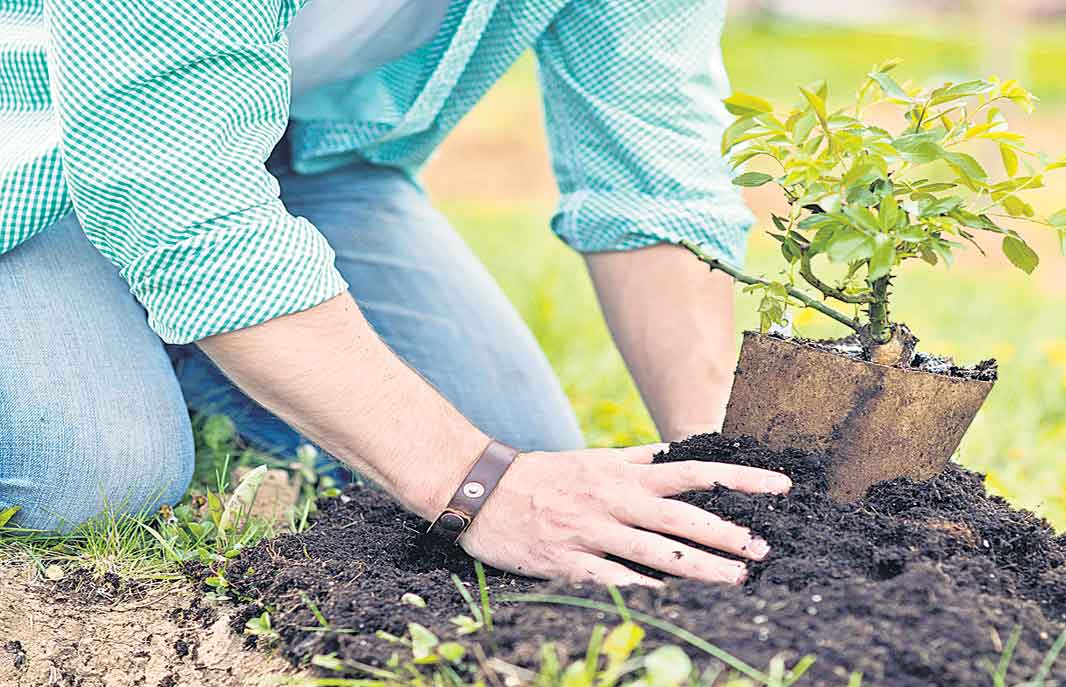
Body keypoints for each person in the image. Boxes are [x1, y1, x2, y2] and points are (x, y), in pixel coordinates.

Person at [0, 1, 790, 586]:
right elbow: (179, 190)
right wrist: (478, 488)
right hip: (37, 143)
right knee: (93, 475)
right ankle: (177, 320)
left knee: (521, 446)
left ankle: (196, 330)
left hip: (296, 154)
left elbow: (652, 169)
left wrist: (724, 470)